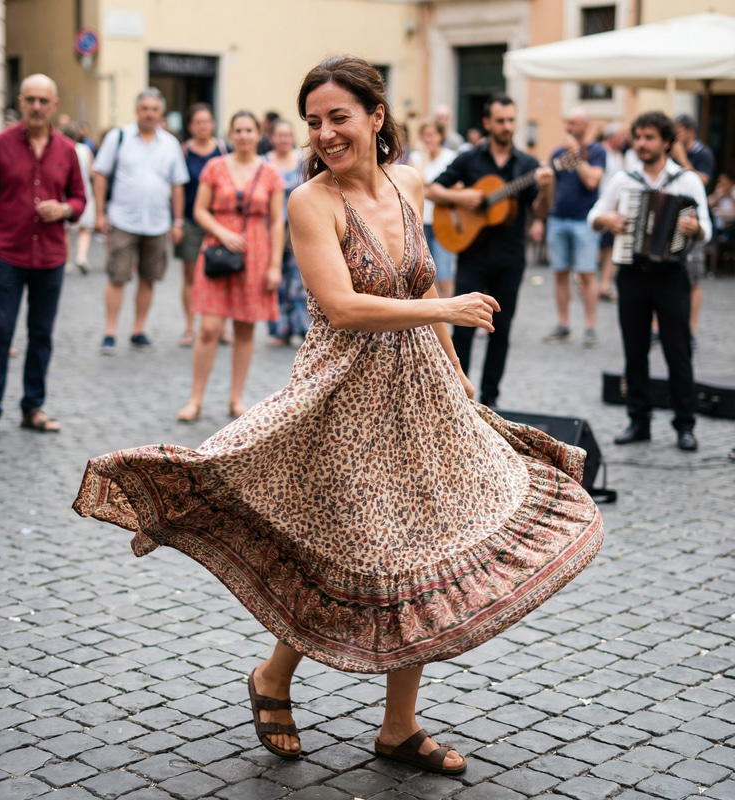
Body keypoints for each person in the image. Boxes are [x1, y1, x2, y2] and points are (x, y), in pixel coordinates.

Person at [74, 56, 603, 775]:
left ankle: (398, 728)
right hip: (343, 399)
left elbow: (423, 283)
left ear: (376, 117)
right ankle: (273, 676)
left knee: (420, 552)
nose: (324, 133)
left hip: (422, 397)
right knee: (352, 553)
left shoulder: (409, 182)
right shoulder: (309, 202)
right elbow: (344, 307)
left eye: (338, 117)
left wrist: (456, 376)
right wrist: (446, 309)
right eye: (314, 121)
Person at [0, 74, 85, 439]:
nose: (36, 106)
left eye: (43, 100)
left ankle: (33, 407)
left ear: (54, 105)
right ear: (20, 102)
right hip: (8, 253)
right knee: (0, 331)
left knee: (41, 334)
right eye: (30, 99)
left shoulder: (67, 150)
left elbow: (80, 200)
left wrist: (64, 209)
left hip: (50, 257)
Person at [588, 111, 711, 452]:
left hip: (672, 275)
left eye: (649, 138)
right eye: (638, 137)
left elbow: (707, 227)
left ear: (667, 142)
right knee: (635, 349)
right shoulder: (623, 180)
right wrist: (607, 220)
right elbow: (593, 216)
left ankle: (685, 424)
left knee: (678, 350)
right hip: (632, 274)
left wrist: (695, 228)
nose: (641, 144)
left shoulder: (687, 181)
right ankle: (638, 421)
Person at [426, 92, 553, 408]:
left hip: (510, 258)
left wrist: (546, 188)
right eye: (500, 120)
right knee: (464, 328)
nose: (507, 126)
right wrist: (462, 198)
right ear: (487, 123)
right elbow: (432, 189)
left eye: (511, 120)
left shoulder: (527, 165)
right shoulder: (470, 159)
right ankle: (459, 398)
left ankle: (491, 401)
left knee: (501, 330)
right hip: (472, 255)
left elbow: (539, 210)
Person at [175, 110, 284, 421]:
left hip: (256, 252)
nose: (244, 135)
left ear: (258, 134)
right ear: (230, 133)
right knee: (209, 328)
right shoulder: (215, 166)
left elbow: (277, 221)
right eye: (238, 130)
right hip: (218, 250)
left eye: (249, 130)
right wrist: (222, 232)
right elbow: (200, 210)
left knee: (245, 329)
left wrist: (275, 265)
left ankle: (236, 398)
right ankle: (195, 399)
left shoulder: (270, 172)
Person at [94, 88, 189, 353]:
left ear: (161, 112)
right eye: (145, 108)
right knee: (117, 276)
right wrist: (100, 213)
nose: (149, 113)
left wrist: (178, 221)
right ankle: (110, 331)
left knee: (149, 277)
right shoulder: (118, 137)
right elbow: (100, 174)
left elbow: (177, 185)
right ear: (137, 110)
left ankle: (138, 330)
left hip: (157, 223)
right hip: (123, 220)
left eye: (154, 109)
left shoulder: (170, 144)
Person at [544, 107, 606, 347]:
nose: (568, 127)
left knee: (587, 274)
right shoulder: (557, 152)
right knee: (560, 273)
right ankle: (563, 325)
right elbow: (551, 187)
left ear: (586, 126)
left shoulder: (597, 151)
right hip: (558, 218)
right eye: (567, 122)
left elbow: (592, 181)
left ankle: (590, 327)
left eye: (573, 123)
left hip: (584, 221)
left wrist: (576, 154)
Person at [176, 103, 228, 347]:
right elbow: (177, 187)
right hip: (191, 220)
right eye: (198, 122)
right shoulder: (184, 151)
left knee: (223, 273)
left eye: (206, 122)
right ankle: (190, 327)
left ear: (213, 124)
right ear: (190, 126)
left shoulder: (223, 149)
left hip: (221, 221)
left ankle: (222, 327)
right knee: (190, 277)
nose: (203, 126)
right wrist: (176, 221)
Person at [264, 118, 310, 345]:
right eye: (279, 135)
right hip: (271, 228)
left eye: (287, 135)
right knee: (276, 280)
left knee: (299, 280)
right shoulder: (264, 163)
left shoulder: (303, 161)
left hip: (299, 228)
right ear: (272, 138)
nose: (283, 139)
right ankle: (280, 330)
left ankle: (303, 327)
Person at [672, 114, 715, 348]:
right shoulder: (670, 152)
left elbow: (702, 181)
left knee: (693, 279)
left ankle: (690, 331)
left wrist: (682, 159)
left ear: (690, 131)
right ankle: (659, 329)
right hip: (672, 219)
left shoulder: (703, 154)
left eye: (678, 130)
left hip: (696, 221)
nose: (675, 135)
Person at [408, 120, 457, 299]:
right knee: (425, 275)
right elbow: (413, 185)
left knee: (444, 273)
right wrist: (425, 158)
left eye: (431, 135)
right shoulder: (416, 158)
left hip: (443, 221)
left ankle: (449, 311)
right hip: (421, 222)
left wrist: (428, 188)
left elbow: (456, 187)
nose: (428, 139)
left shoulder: (450, 157)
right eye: (424, 135)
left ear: (440, 136)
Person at [597, 122, 628, 302]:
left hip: (615, 210)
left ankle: (604, 285)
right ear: (612, 136)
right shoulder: (601, 153)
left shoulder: (619, 156)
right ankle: (584, 279)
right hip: (601, 209)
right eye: (623, 135)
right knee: (599, 249)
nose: (625, 139)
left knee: (610, 248)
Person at [61, 122, 96, 274]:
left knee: (65, 230)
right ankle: (81, 257)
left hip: (65, 191)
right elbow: (93, 172)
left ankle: (66, 261)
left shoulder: (61, 148)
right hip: (84, 190)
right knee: (85, 228)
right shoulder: (85, 150)